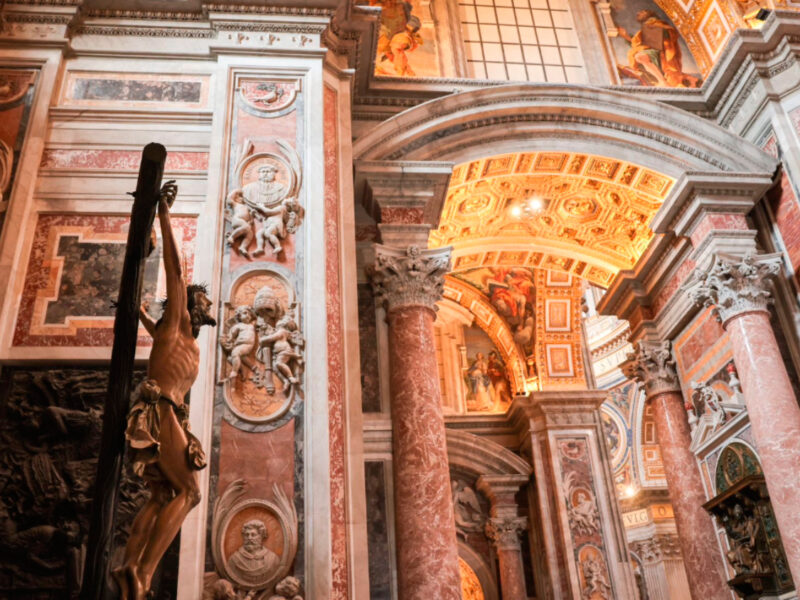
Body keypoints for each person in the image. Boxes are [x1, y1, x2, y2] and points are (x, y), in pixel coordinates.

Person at [113, 181, 217, 600]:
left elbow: (144, 322)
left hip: (169, 414)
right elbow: (176, 270)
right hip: (161, 411)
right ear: (191, 305)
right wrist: (164, 213)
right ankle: (145, 574)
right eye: (204, 302)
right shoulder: (176, 323)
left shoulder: (177, 338)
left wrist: (134, 309)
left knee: (161, 494)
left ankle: (129, 567)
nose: (210, 308)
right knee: (190, 492)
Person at [617, 10, 701, 88]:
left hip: (662, 53)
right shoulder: (646, 28)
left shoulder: (659, 25)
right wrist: (626, 36)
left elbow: (665, 38)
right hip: (653, 52)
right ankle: (666, 80)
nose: (640, 13)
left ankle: (663, 82)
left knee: (640, 57)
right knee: (639, 57)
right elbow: (638, 44)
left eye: (643, 12)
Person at [228, 519, 280, 585]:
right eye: (246, 535)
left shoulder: (273, 560)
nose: (249, 538)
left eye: (253, 535)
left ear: (261, 537)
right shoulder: (234, 559)